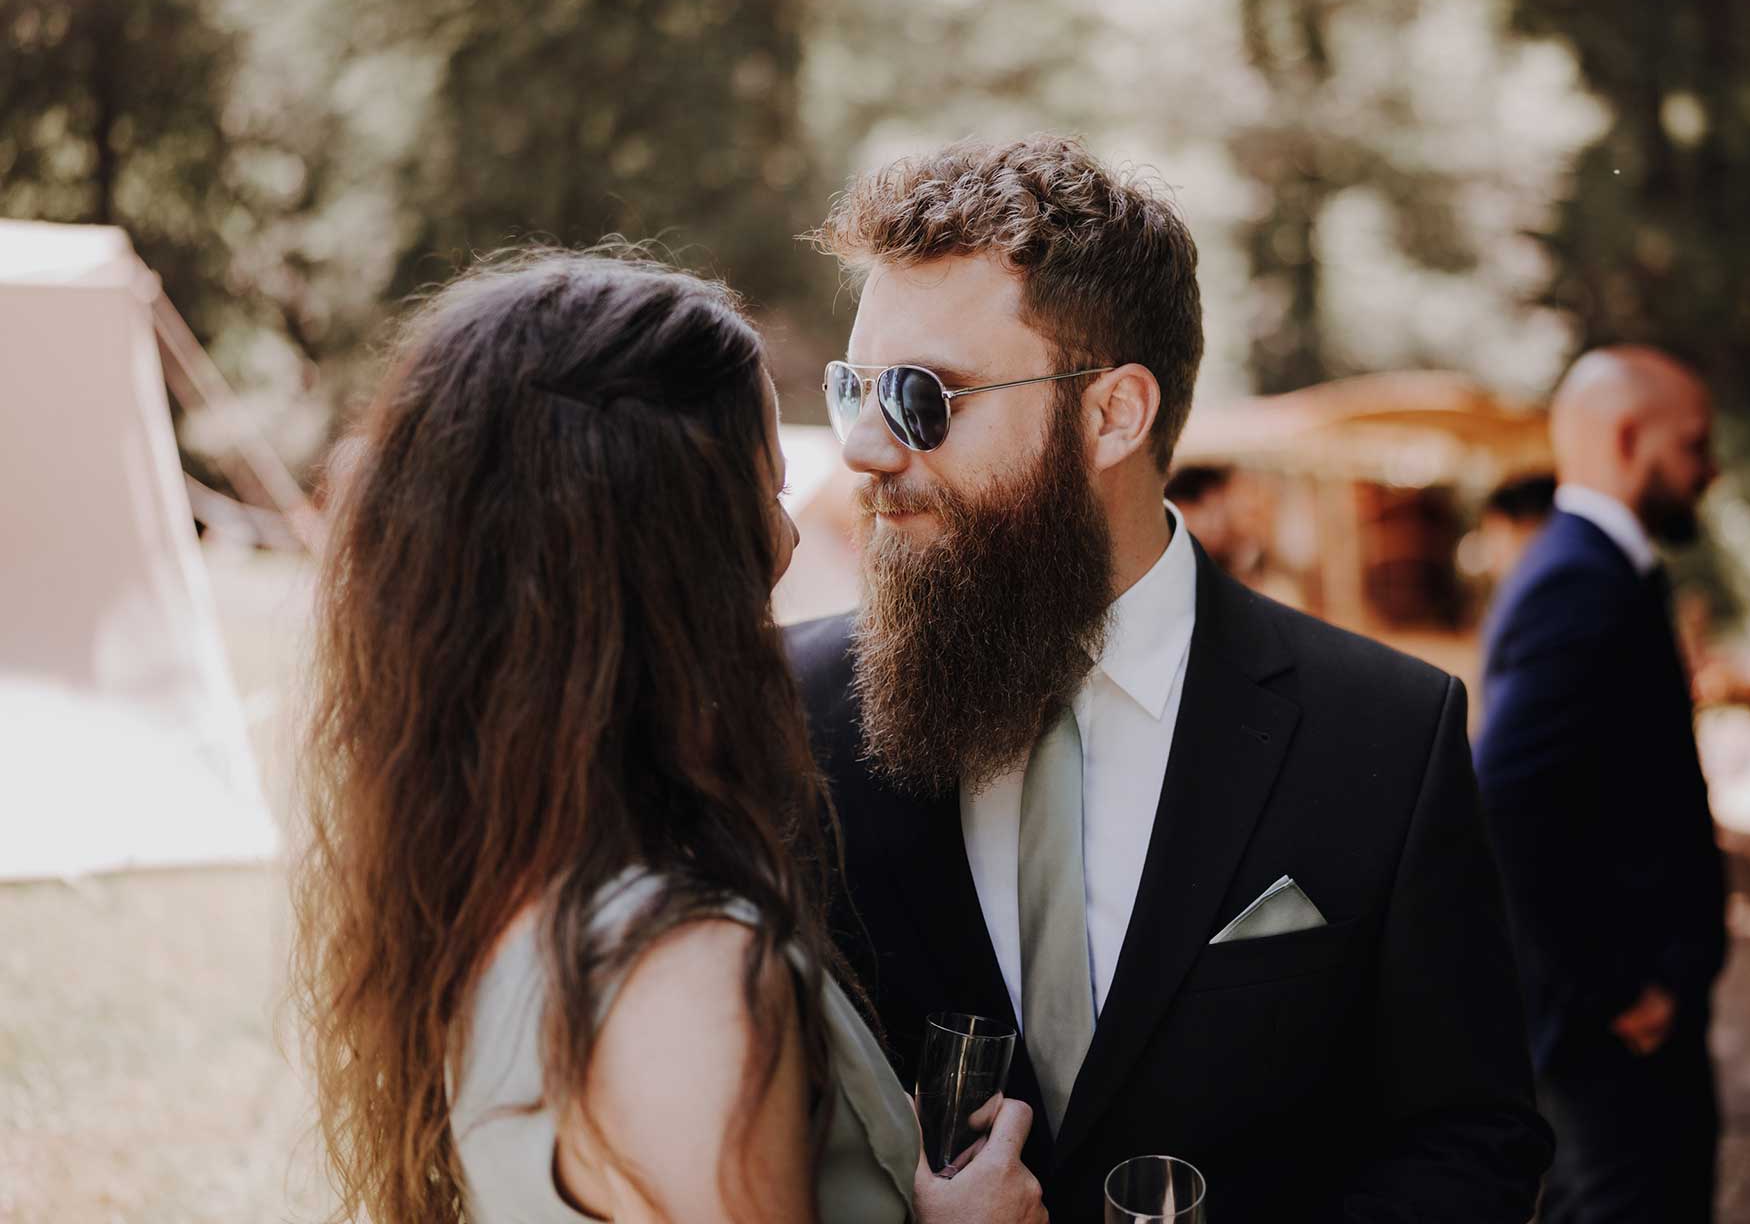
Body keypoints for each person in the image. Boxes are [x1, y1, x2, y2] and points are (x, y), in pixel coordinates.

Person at [787, 136, 1551, 1223]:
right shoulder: (788, 710)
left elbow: (1470, 1137)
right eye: (853, 387)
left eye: (920, 395)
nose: (863, 446)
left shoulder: (1386, 730)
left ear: (1113, 414)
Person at [291, 250, 1047, 1224]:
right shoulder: (682, 976)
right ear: (669, 560)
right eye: (763, 495)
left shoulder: (497, 873)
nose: (784, 545)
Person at [1476, 345, 1730, 1222]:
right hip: (1614, 1041)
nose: (1711, 467)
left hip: (1632, 1023)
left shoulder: (1589, 569)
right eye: (1695, 444)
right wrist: (1614, 990)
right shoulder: (1577, 581)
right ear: (1629, 437)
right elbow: (1506, 800)